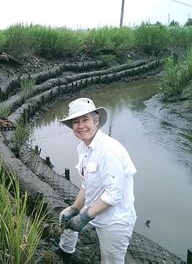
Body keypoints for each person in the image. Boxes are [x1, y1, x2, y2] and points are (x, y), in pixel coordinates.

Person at [56, 97, 137, 264]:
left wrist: (84, 217)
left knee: (110, 260)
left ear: (96, 121)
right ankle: (65, 253)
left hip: (114, 219)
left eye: (85, 120)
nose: (81, 126)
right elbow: (87, 184)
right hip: (94, 207)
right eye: (76, 122)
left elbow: (113, 194)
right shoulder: (84, 148)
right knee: (64, 217)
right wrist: (75, 208)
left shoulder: (108, 151)